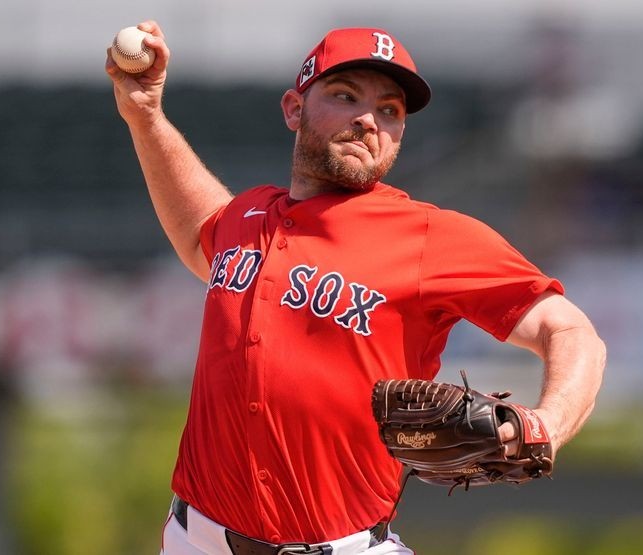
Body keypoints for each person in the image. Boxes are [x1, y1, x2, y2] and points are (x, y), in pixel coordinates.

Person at [106, 22, 606, 555]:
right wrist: (146, 116)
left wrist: (548, 423)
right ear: (294, 109)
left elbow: (569, 328)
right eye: (345, 96)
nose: (368, 120)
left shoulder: (430, 236)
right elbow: (199, 229)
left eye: (390, 110)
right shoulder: (248, 216)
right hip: (197, 540)